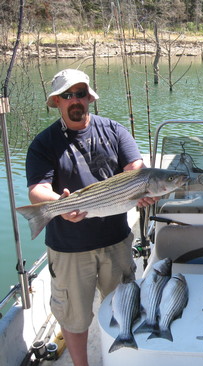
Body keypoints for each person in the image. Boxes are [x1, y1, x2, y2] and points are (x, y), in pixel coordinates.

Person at [25, 68, 157, 366]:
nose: (75, 100)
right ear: (56, 102)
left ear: (90, 98)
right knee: (75, 317)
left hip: (116, 243)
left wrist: (141, 186)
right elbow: (37, 191)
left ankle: (124, 359)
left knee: (122, 307)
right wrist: (57, 203)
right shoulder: (44, 144)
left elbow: (134, 165)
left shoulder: (113, 130)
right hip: (69, 247)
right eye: (67, 95)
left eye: (81, 93)